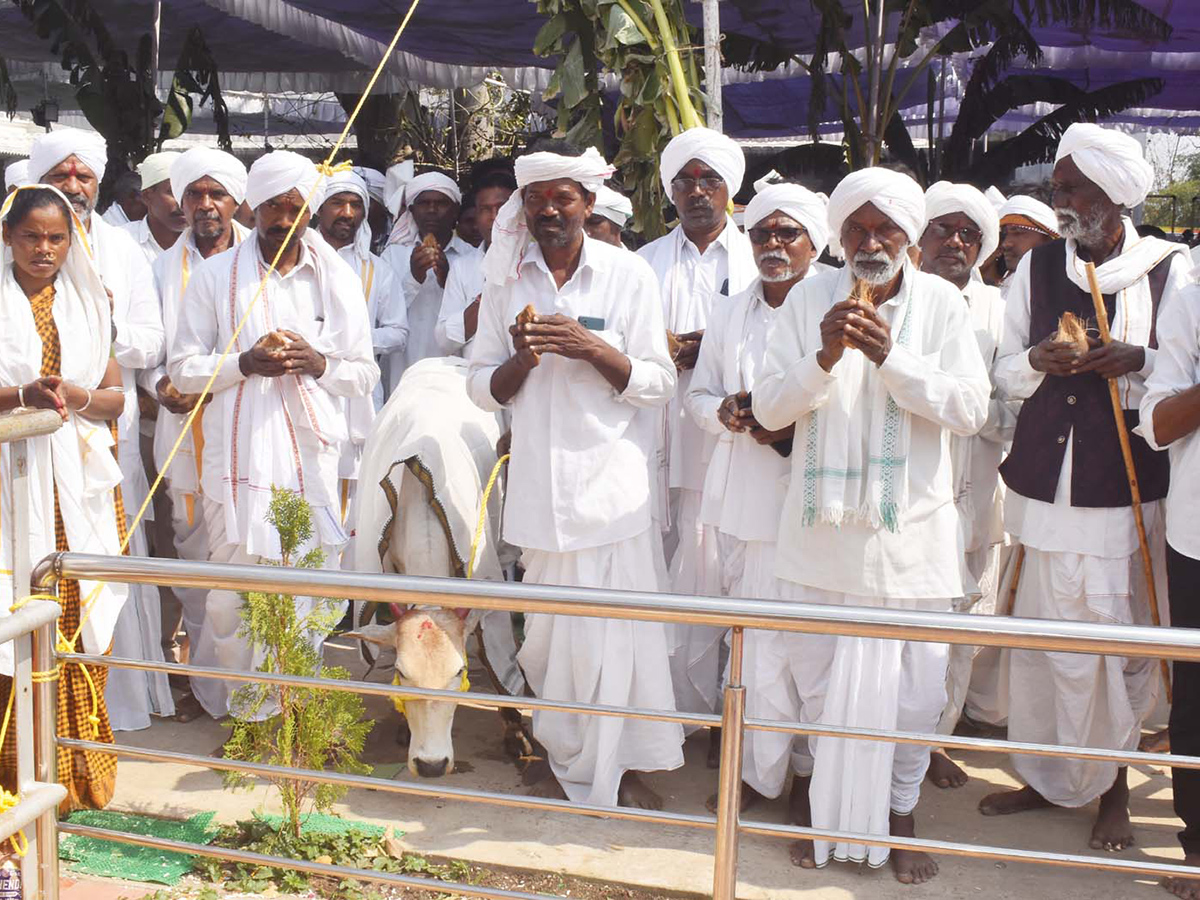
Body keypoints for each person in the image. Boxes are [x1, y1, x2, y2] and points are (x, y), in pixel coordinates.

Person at [753, 167, 990, 883]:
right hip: (819, 539)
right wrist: (823, 356)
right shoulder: (805, 301)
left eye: (885, 228)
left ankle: (899, 815)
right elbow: (768, 411)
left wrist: (893, 356)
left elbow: (971, 410)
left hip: (909, 540)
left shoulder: (944, 306)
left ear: (909, 236)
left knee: (914, 695)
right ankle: (828, 821)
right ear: (838, 235)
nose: (870, 241)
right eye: (856, 227)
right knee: (821, 687)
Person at [983, 122, 1190, 851]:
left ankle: (1113, 790)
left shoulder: (1174, 271)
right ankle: (1045, 777)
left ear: (1115, 197)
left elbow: (1182, 375)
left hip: (1125, 487)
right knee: (1044, 642)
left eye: (1070, 188)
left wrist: (1135, 358)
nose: (1057, 198)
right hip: (1047, 483)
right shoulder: (1038, 268)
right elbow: (1003, 370)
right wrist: (1040, 358)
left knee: (1115, 646)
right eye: (1057, 187)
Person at [466, 141, 681, 809]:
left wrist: (594, 350)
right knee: (555, 644)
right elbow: (478, 386)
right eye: (536, 200)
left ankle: (622, 766)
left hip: (613, 494)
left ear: (588, 204)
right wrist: (522, 361)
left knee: (620, 638)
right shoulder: (505, 282)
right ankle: (565, 760)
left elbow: (658, 381)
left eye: (563, 197)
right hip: (540, 495)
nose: (549, 209)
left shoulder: (627, 275)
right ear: (523, 211)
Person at [167, 150, 379, 719]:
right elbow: (183, 368)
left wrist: (318, 363)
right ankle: (249, 713)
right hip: (235, 473)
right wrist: (245, 363)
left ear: (310, 209)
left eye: (296, 208)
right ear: (254, 208)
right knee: (231, 602)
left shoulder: (335, 275)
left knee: (305, 595)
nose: (285, 219)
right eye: (273, 208)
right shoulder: (215, 277)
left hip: (309, 466)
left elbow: (364, 372)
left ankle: (295, 716)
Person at [685, 180, 829, 814]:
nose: (772, 243)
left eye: (786, 232)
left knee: (811, 649)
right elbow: (696, 395)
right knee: (755, 647)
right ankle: (757, 774)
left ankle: (810, 778)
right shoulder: (729, 310)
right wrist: (723, 414)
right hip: (746, 498)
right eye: (762, 232)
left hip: (816, 499)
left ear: (812, 243)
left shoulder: (837, 306)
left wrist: (787, 426)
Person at [29, 128, 169, 733]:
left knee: (108, 571)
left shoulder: (123, 250)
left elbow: (151, 338)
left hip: (104, 437)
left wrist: (99, 313)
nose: (73, 186)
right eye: (61, 175)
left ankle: (119, 706)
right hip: (29, 446)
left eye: (83, 176)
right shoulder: (18, 252)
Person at [0, 185, 129, 810]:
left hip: (75, 489)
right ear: (8, 238)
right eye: (31, 236)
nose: (43, 249)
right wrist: (20, 395)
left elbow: (114, 399)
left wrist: (71, 396)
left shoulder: (86, 302)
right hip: (9, 486)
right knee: (13, 621)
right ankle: (14, 781)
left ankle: (78, 779)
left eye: (56, 238)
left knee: (76, 622)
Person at [638, 126, 756, 730]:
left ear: (731, 190)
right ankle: (674, 715)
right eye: (685, 180)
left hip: (737, 437)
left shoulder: (756, 257)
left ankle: (730, 716)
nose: (697, 190)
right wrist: (663, 351)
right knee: (668, 565)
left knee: (730, 571)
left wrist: (709, 348)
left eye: (709, 179)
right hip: (663, 436)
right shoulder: (643, 263)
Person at [917, 181, 1015, 789]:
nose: (955, 241)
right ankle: (902, 735)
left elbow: (1011, 407)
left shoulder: (1001, 310)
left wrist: (963, 405)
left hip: (976, 486)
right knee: (908, 619)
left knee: (960, 622)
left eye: (969, 233)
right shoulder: (890, 300)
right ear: (919, 238)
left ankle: (935, 738)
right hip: (908, 490)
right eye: (943, 229)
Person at [147, 147, 250, 722]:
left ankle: (256, 693)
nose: (205, 205)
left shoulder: (263, 259)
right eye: (195, 194)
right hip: (185, 439)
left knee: (247, 566)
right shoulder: (159, 267)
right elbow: (143, 350)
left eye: (216, 194)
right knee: (194, 566)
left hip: (248, 435)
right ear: (180, 201)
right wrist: (161, 383)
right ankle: (213, 693)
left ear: (237, 200)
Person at [1140, 280, 1200, 900]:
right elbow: (1156, 423)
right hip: (1199, 533)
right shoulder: (1194, 292)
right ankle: (1199, 848)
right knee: (1198, 701)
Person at [313, 167, 407, 515]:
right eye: (338, 203)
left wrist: (350, 342)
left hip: (360, 395)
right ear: (320, 208)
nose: (348, 213)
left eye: (356, 204)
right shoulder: (299, 259)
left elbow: (398, 333)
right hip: (306, 391)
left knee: (354, 504)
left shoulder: (377, 270)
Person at [381, 170, 467, 393]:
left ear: (456, 210)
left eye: (441, 203)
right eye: (424, 203)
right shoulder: (392, 256)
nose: (432, 210)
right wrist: (413, 278)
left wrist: (449, 281)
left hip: (454, 369)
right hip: (404, 366)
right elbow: (382, 316)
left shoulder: (471, 257)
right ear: (412, 210)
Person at [434, 167, 516, 357]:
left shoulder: (537, 260)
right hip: (473, 379)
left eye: (502, 208)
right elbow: (444, 341)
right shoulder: (463, 267)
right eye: (485, 209)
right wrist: (486, 298)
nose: (494, 217)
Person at [123, 151, 186, 263]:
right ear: (147, 196)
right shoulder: (120, 241)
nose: (182, 202)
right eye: (173, 192)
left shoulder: (207, 244)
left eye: (190, 193)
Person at [996, 194, 1059, 295]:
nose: (1006, 244)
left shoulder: (1064, 288)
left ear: (1049, 239)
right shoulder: (1002, 288)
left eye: (1018, 232)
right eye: (1005, 234)